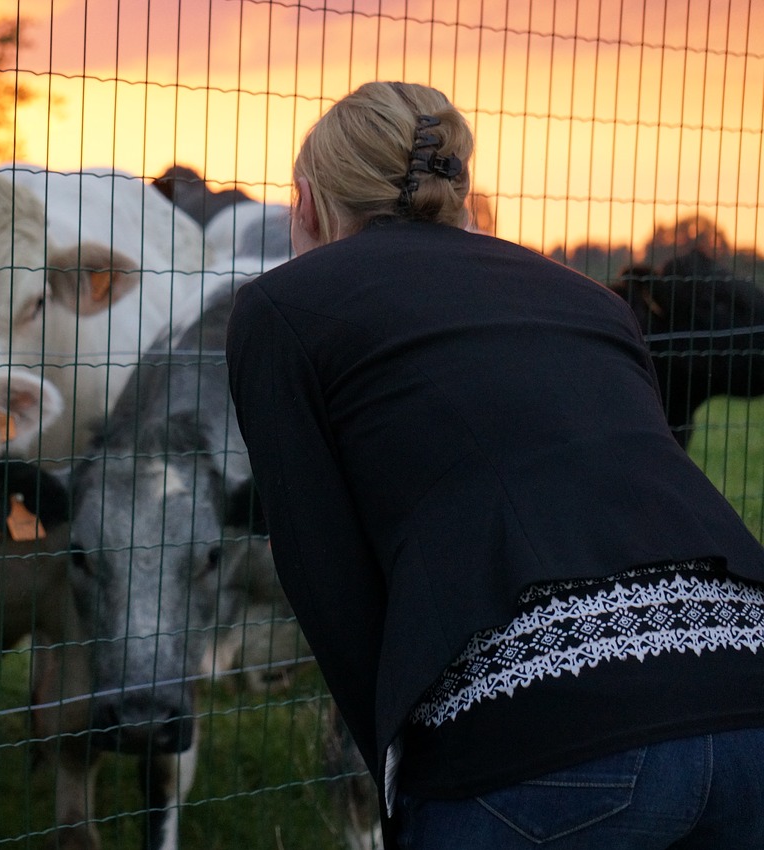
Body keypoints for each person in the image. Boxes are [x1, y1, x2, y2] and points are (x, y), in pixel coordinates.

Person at [225, 80, 764, 849]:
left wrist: (400, 784)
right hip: (748, 685)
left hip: (548, 739)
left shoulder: (283, 306)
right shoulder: (592, 300)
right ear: (460, 191)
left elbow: (327, 577)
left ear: (304, 203)